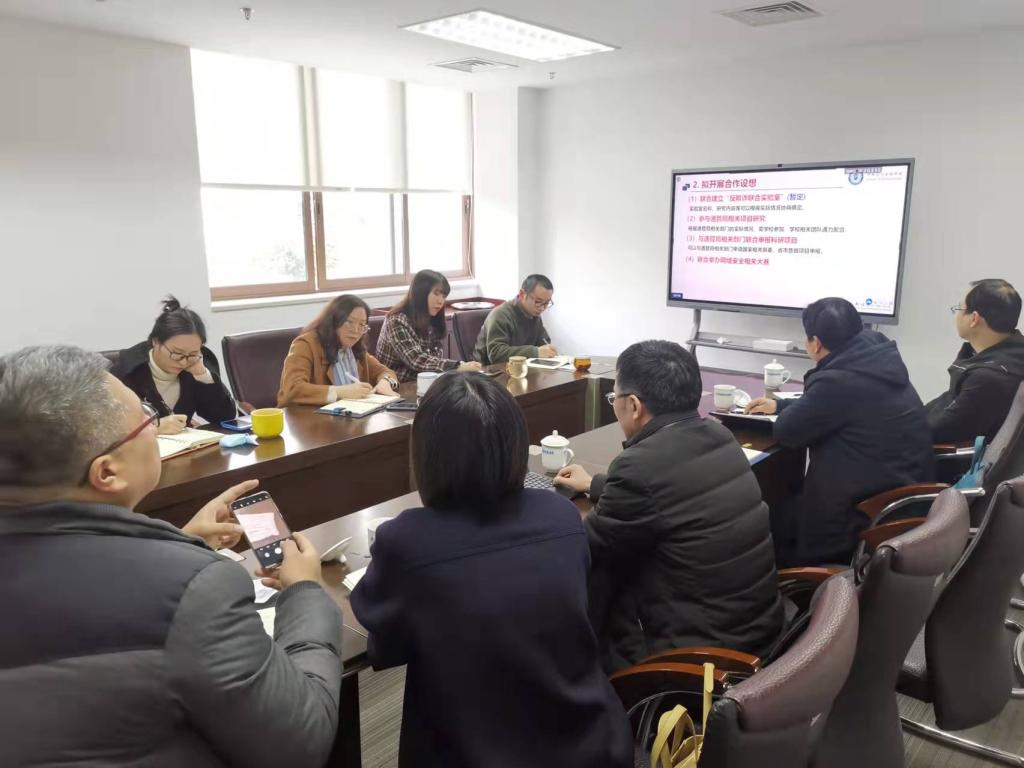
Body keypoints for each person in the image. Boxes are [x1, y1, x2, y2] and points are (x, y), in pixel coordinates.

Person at [0, 345, 342, 767]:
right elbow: (300, 742)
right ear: (107, 472)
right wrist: (305, 591)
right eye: (147, 417)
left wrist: (178, 543)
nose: (154, 424)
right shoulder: (195, 590)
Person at [350, 372, 632, 768]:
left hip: (474, 753)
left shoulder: (407, 541)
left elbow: (386, 646)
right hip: (589, 744)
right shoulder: (560, 514)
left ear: (427, 455)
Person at [554, 340, 783, 673]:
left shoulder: (639, 467)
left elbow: (586, 548)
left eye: (614, 398)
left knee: (594, 581)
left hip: (699, 658)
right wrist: (595, 485)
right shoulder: (720, 436)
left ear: (634, 405)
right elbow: (673, 491)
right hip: (759, 630)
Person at [745, 297, 935, 566]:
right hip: (899, 493)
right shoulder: (875, 358)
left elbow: (787, 431)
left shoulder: (839, 380)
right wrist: (780, 404)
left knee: (763, 517)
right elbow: (837, 406)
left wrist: (789, 410)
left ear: (815, 343)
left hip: (862, 513)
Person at [110, 296, 236, 434]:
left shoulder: (198, 363)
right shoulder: (126, 371)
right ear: (156, 342)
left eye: (192, 353)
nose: (183, 362)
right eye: (177, 353)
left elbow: (224, 418)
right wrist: (155, 428)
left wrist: (202, 375)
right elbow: (110, 430)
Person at [925, 279, 1024, 443]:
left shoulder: (987, 379)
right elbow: (946, 403)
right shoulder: (1012, 356)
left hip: (948, 456)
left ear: (974, 319)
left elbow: (938, 432)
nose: (956, 314)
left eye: (959, 308)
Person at [278, 294, 398, 407]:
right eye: (349, 322)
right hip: (306, 418)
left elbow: (385, 371)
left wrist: (386, 382)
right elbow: (293, 388)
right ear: (333, 321)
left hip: (348, 416)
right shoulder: (306, 345)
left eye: (362, 325)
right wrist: (340, 392)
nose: (356, 330)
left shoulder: (355, 349)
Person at [375, 269, 482, 383]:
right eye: (436, 294)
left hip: (424, 381)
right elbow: (416, 360)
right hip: (397, 385)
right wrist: (458, 366)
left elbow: (434, 360)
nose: (440, 301)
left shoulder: (432, 317)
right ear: (421, 293)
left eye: (444, 296)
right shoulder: (396, 320)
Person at [473, 274, 559, 365]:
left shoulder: (534, 314)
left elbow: (543, 343)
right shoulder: (500, 315)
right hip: (489, 370)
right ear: (522, 294)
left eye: (546, 303)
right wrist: (535, 352)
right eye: (538, 302)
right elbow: (496, 354)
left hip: (521, 368)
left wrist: (548, 350)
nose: (542, 308)